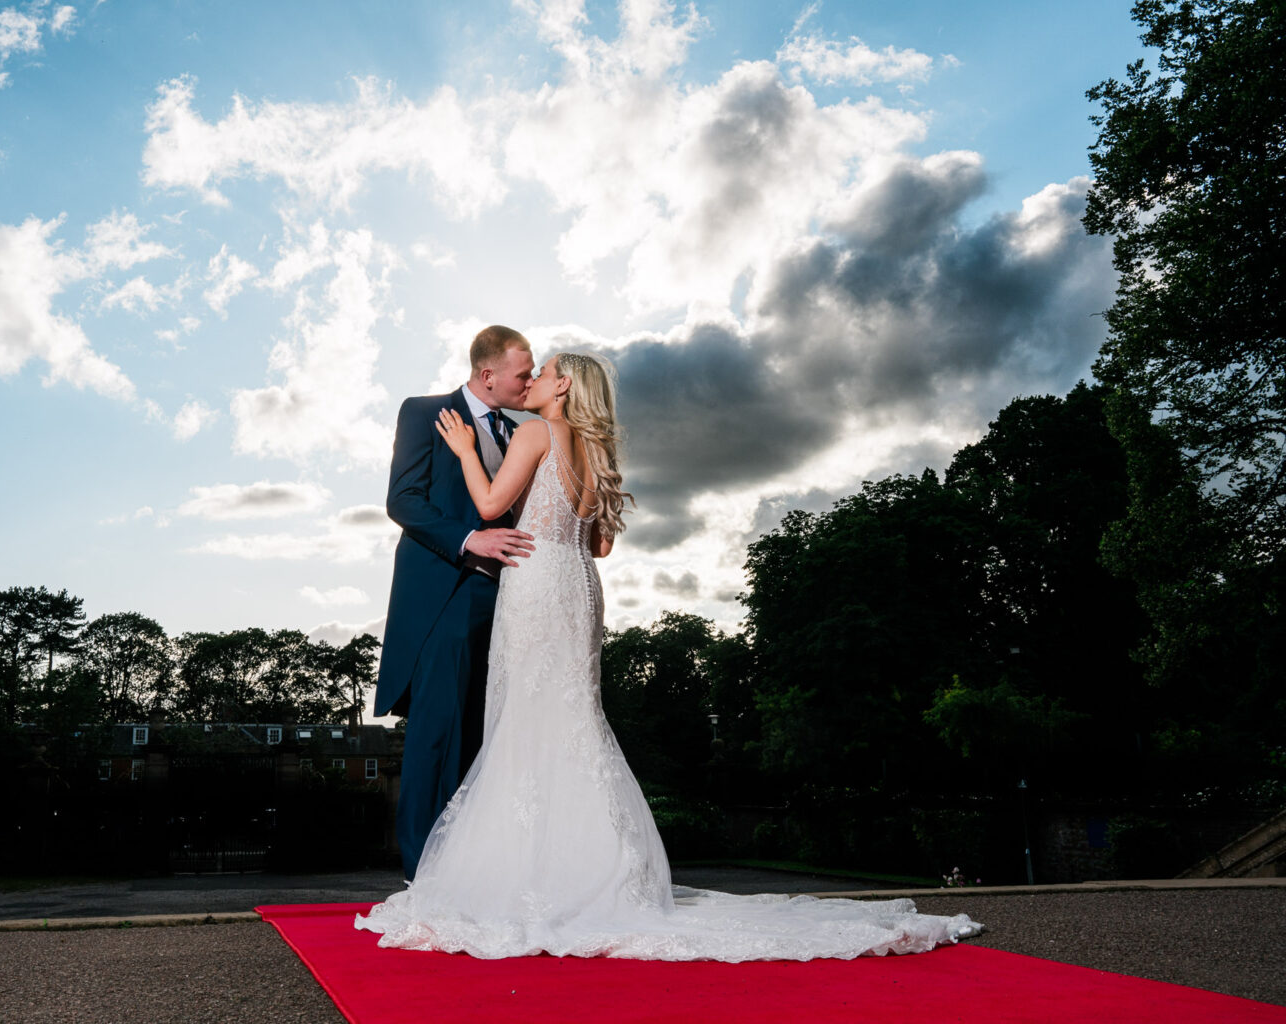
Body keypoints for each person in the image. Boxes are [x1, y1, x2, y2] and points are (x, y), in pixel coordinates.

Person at [356, 351, 983, 960]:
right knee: (571, 717)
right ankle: (587, 871)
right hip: (578, 584)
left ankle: (536, 872)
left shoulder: (536, 435)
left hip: (538, 580)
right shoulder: (595, 453)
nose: (535, 380)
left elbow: (492, 508)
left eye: (544, 373)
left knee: (527, 718)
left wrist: (466, 453)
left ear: (565, 387)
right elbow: (599, 545)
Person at [377, 325, 537, 881]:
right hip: (445, 590)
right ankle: (424, 873)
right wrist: (472, 540)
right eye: (524, 371)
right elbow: (403, 500)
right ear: (488, 374)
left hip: (505, 598)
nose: (531, 380)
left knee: (481, 729)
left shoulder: (523, 431)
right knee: (436, 729)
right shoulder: (425, 412)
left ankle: (472, 868)